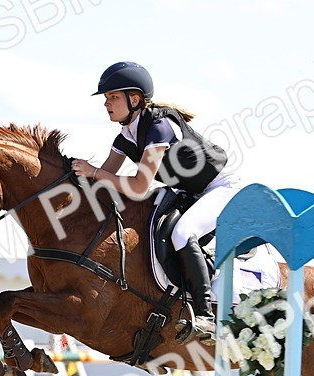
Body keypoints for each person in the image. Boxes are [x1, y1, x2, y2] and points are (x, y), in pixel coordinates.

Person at [71, 61, 240, 344]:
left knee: (183, 232)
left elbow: (138, 186)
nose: (106, 104)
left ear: (134, 99)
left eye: (113, 97)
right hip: (189, 192)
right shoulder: (125, 136)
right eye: (106, 98)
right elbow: (103, 178)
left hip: (221, 188)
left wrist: (94, 172)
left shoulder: (160, 126)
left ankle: (206, 317)